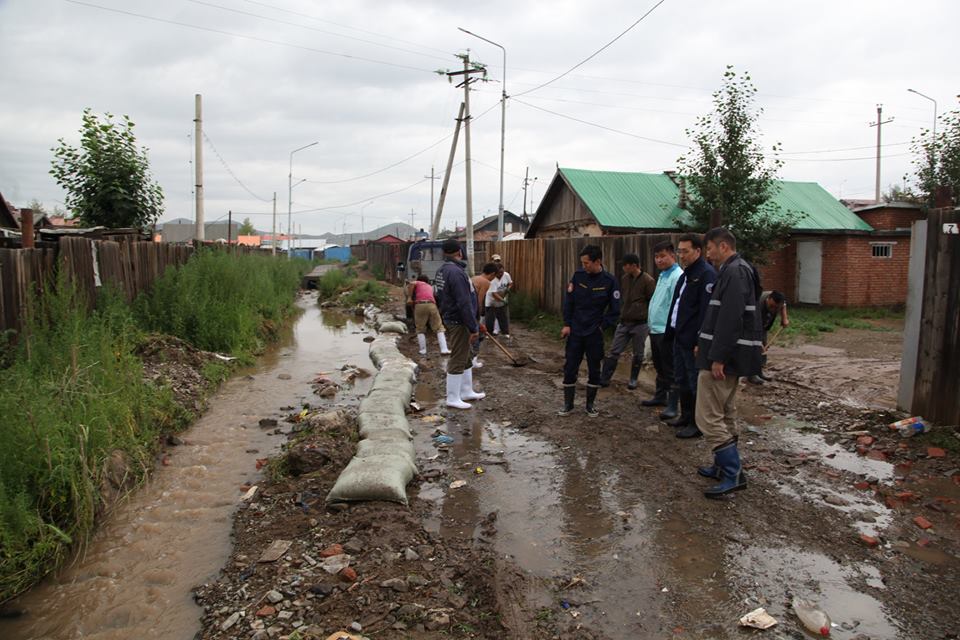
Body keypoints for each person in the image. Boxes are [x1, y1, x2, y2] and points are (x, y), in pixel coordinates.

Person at [695, 227, 762, 497]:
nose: (708, 254)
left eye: (709, 248)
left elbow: (731, 318)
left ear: (723, 246)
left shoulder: (735, 272)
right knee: (725, 412)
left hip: (726, 357)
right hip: (731, 355)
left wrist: (718, 357)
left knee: (708, 416)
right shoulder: (737, 269)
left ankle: (732, 473)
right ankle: (723, 466)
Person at [663, 233, 717, 439]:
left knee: (695, 383)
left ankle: (697, 424)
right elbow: (677, 305)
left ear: (698, 251)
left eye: (685, 251)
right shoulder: (686, 275)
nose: (681, 255)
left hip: (692, 340)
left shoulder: (706, 275)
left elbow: (706, 312)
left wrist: (699, 341)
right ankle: (685, 416)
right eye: (679, 251)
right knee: (681, 378)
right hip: (679, 336)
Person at [558, 245, 621, 418]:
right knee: (570, 367)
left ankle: (590, 405)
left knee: (594, 369)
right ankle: (568, 405)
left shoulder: (609, 281)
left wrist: (602, 326)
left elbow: (615, 310)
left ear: (598, 261)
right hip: (576, 331)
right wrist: (567, 324)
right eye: (582, 263)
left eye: (586, 263)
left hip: (594, 333)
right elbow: (569, 303)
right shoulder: (578, 277)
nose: (584, 266)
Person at [434, 239, 486, 409]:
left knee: (467, 355)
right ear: (460, 252)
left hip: (453, 317)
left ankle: (466, 391)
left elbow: (439, 296)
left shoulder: (443, 270)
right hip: (459, 320)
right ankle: (453, 397)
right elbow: (463, 301)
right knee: (458, 356)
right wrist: (473, 326)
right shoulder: (455, 272)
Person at [599, 253, 655, 388]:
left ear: (634, 266)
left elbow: (652, 301)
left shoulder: (648, 281)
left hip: (640, 323)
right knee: (614, 350)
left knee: (638, 352)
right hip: (624, 321)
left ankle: (633, 379)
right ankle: (605, 377)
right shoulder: (624, 279)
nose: (623, 268)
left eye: (625, 265)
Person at [641, 241, 683, 414]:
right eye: (656, 257)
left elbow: (676, 305)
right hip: (655, 329)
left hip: (666, 330)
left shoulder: (677, 276)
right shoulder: (663, 275)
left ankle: (672, 405)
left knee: (669, 367)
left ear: (672, 256)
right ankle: (660, 396)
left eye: (663, 256)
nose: (659, 260)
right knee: (659, 366)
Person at [746, 290, 790, 384]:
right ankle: (751, 374)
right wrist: (758, 342)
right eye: (772, 307)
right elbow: (753, 326)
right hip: (753, 325)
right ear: (768, 299)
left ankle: (759, 371)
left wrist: (784, 318)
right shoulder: (758, 303)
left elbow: (784, 305)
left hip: (764, 325)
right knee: (755, 347)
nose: (773, 309)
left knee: (763, 347)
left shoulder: (778, 301)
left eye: (776, 308)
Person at [408, 275, 450, 356]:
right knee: (439, 327)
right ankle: (444, 349)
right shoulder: (430, 286)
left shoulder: (419, 283)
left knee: (420, 328)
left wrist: (409, 298)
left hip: (420, 304)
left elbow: (411, 283)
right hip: (431, 305)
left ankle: (423, 350)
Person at [471, 263, 499, 368]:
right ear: (492, 274)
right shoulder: (486, 282)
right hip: (472, 311)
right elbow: (479, 300)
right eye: (494, 276)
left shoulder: (474, 278)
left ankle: (471, 358)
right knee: (477, 335)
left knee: (476, 335)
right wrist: (478, 317)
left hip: (465, 310)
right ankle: (473, 360)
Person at [484, 264, 512, 338]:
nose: (501, 274)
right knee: (490, 318)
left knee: (503, 317)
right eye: (499, 272)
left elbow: (510, 283)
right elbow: (494, 295)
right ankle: (489, 334)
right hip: (491, 302)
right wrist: (503, 300)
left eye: (502, 272)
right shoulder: (492, 280)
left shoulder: (506, 275)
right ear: (495, 273)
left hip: (501, 299)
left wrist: (508, 289)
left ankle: (505, 333)